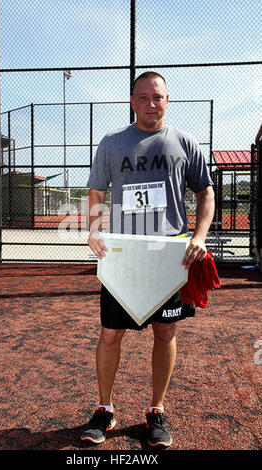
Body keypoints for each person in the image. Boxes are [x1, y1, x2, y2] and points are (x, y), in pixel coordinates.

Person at [81, 71, 215, 447]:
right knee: (110, 335)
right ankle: (104, 409)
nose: (150, 103)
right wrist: (94, 229)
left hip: (167, 253)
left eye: (157, 97)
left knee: (165, 332)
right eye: (142, 97)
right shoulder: (111, 143)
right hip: (124, 253)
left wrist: (200, 237)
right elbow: (95, 191)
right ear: (132, 101)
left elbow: (206, 193)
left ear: (167, 100)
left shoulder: (185, 142)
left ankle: (157, 410)